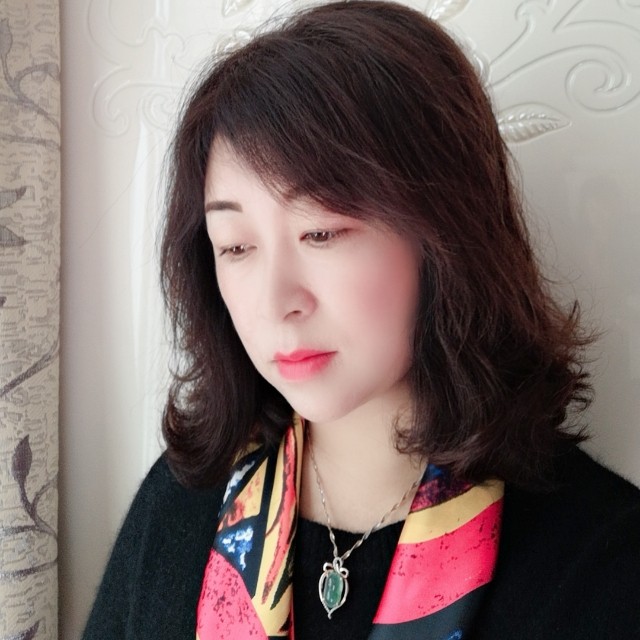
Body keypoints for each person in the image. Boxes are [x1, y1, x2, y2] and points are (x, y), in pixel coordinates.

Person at [82, 1, 640, 638]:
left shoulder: (603, 563)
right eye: (235, 246)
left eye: (321, 232)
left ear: (446, 236)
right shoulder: (183, 502)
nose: (275, 300)